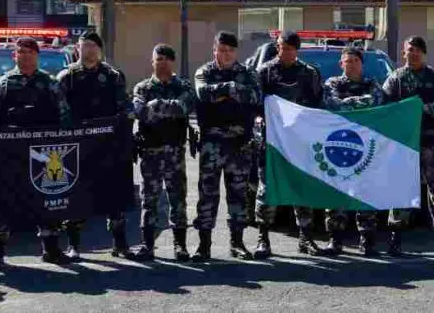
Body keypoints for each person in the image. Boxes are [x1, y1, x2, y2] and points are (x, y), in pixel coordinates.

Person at [0, 37, 73, 269]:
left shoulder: (49, 83)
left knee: (47, 198)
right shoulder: (4, 83)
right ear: (14, 56)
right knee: (4, 199)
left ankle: (51, 248)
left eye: (30, 52)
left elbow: (65, 115)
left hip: (44, 151)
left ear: (37, 55)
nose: (26, 56)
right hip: (11, 152)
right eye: (21, 52)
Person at [56, 31, 134, 261]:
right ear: (77, 49)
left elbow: (125, 106)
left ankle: (120, 243)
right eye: (84, 45)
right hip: (77, 147)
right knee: (75, 196)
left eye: (93, 45)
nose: (88, 50)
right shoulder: (66, 77)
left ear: (99, 49)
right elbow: (58, 110)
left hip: (108, 146)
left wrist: (126, 121)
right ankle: (73, 245)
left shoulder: (112, 76)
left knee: (114, 196)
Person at [383, 36, 434, 255]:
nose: (413, 53)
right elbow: (385, 106)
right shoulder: (395, 78)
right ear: (403, 53)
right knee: (401, 189)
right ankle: (395, 238)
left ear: (424, 53)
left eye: (418, 50)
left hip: (431, 142)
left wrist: (424, 108)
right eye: (410, 50)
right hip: (405, 144)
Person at [192, 31, 261, 260]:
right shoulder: (204, 72)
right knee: (207, 194)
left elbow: (255, 97)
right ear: (214, 50)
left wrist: (223, 91)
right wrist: (234, 90)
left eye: (231, 50)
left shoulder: (248, 73)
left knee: (238, 194)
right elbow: (203, 93)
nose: (227, 54)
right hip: (212, 143)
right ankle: (204, 245)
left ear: (236, 52)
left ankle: (237, 243)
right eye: (222, 50)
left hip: (240, 143)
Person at [255, 31, 324, 258]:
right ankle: (263, 239)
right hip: (272, 141)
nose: (284, 51)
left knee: (301, 188)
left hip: (299, 141)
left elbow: (317, 105)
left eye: (289, 48)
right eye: (281, 47)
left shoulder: (309, 73)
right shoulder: (265, 72)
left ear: (297, 50)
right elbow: (255, 104)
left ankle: (306, 238)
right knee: (268, 190)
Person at [132, 44, 196, 261]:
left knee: (177, 198)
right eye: (159, 59)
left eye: (167, 59)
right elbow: (140, 112)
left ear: (173, 62)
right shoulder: (142, 87)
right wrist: (169, 108)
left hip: (174, 152)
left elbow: (184, 107)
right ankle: (147, 245)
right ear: (152, 62)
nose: (163, 63)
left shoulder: (183, 86)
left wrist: (157, 105)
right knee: (149, 199)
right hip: (150, 152)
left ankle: (180, 245)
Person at [320, 47, 385, 256]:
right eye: (348, 61)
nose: (352, 65)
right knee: (336, 193)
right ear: (341, 64)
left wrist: (346, 104)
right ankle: (335, 240)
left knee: (365, 192)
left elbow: (377, 100)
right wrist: (360, 104)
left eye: (356, 61)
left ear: (362, 64)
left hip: (366, 145)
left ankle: (367, 241)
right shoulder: (332, 83)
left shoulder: (372, 83)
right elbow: (332, 104)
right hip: (339, 144)